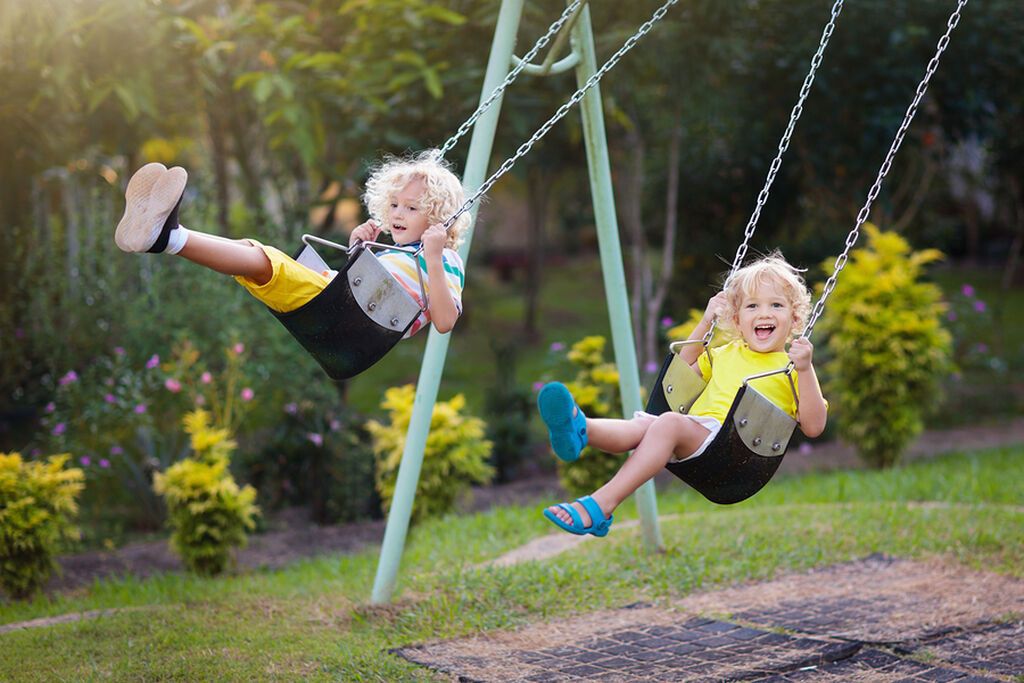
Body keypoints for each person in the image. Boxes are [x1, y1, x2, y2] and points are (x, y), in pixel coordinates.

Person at [537, 252, 828, 537]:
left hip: (733, 453)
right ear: (737, 320)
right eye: (752, 306)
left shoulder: (791, 368)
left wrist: (805, 369)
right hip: (695, 434)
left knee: (666, 423)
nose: (764, 313)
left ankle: (600, 506)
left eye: (776, 305)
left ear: (795, 319)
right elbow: (684, 370)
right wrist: (705, 322)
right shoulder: (724, 353)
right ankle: (580, 427)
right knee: (647, 424)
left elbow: (814, 426)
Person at [113, 150, 469, 337]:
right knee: (253, 252)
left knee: (265, 261)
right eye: (394, 205)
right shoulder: (392, 254)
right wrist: (357, 250)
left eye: (411, 208)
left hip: (356, 323)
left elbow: (444, 321)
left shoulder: (443, 259)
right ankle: (165, 234)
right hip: (339, 303)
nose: (398, 214)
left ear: (438, 217)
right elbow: (361, 285)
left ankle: (167, 235)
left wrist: (435, 258)